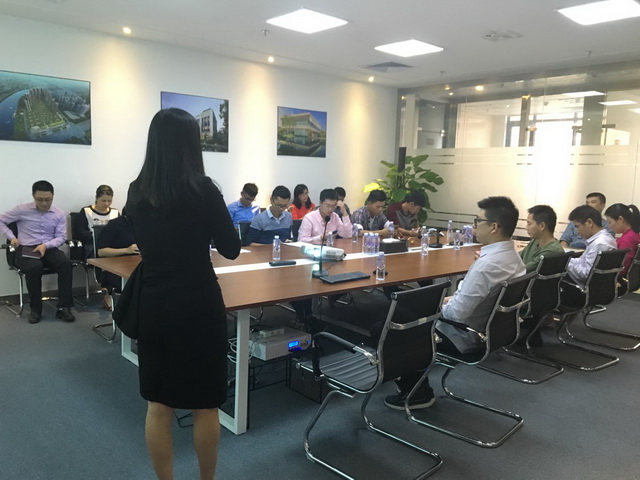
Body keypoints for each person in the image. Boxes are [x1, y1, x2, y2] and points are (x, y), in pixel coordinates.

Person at [124, 108, 240, 480]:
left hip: (155, 304)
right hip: (198, 303)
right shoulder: (204, 190)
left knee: (158, 405)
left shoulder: (137, 190)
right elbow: (231, 248)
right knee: (206, 405)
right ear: (191, 144)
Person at [384, 196, 526, 410]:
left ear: (494, 227)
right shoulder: (514, 259)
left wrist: (436, 305)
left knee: (391, 325)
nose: (474, 225)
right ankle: (414, 382)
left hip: (462, 335)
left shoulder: (487, 265)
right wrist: (450, 299)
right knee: (409, 308)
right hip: (492, 332)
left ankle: (415, 392)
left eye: (478, 221)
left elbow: (456, 314)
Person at [0, 180, 75, 324]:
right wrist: (12, 237)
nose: (44, 203)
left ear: (53, 196)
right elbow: (1, 220)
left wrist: (46, 245)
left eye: (48, 199)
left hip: (48, 248)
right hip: (26, 248)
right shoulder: (22, 210)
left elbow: (61, 237)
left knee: (65, 264)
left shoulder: (58, 213)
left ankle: (64, 307)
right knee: (34, 268)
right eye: (40, 200)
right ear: (33, 196)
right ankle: (35, 310)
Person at [95, 212, 139, 310]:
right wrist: (127, 250)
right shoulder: (115, 225)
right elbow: (101, 252)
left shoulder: (144, 224)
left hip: (137, 261)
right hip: (116, 264)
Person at [565, 205, 617, 287]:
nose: (577, 231)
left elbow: (587, 274)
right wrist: (567, 260)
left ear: (589, 223)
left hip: (585, 288)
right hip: (599, 287)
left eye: (577, 226)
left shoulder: (600, 244)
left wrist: (566, 263)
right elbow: (582, 262)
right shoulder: (605, 238)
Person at [74, 184, 120, 258]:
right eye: (103, 201)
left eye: (109, 201)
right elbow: (80, 232)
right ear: (96, 198)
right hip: (93, 244)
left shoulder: (115, 213)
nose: (106, 204)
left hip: (112, 245)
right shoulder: (86, 211)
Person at [519, 205, 565, 272]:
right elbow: (518, 257)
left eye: (529, 224)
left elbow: (524, 270)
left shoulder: (552, 251)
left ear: (542, 226)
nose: (526, 228)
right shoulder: (535, 241)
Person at [604, 203, 640, 277]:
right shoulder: (633, 234)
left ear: (620, 219)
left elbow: (622, 267)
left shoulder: (627, 240)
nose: (609, 226)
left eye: (610, 222)